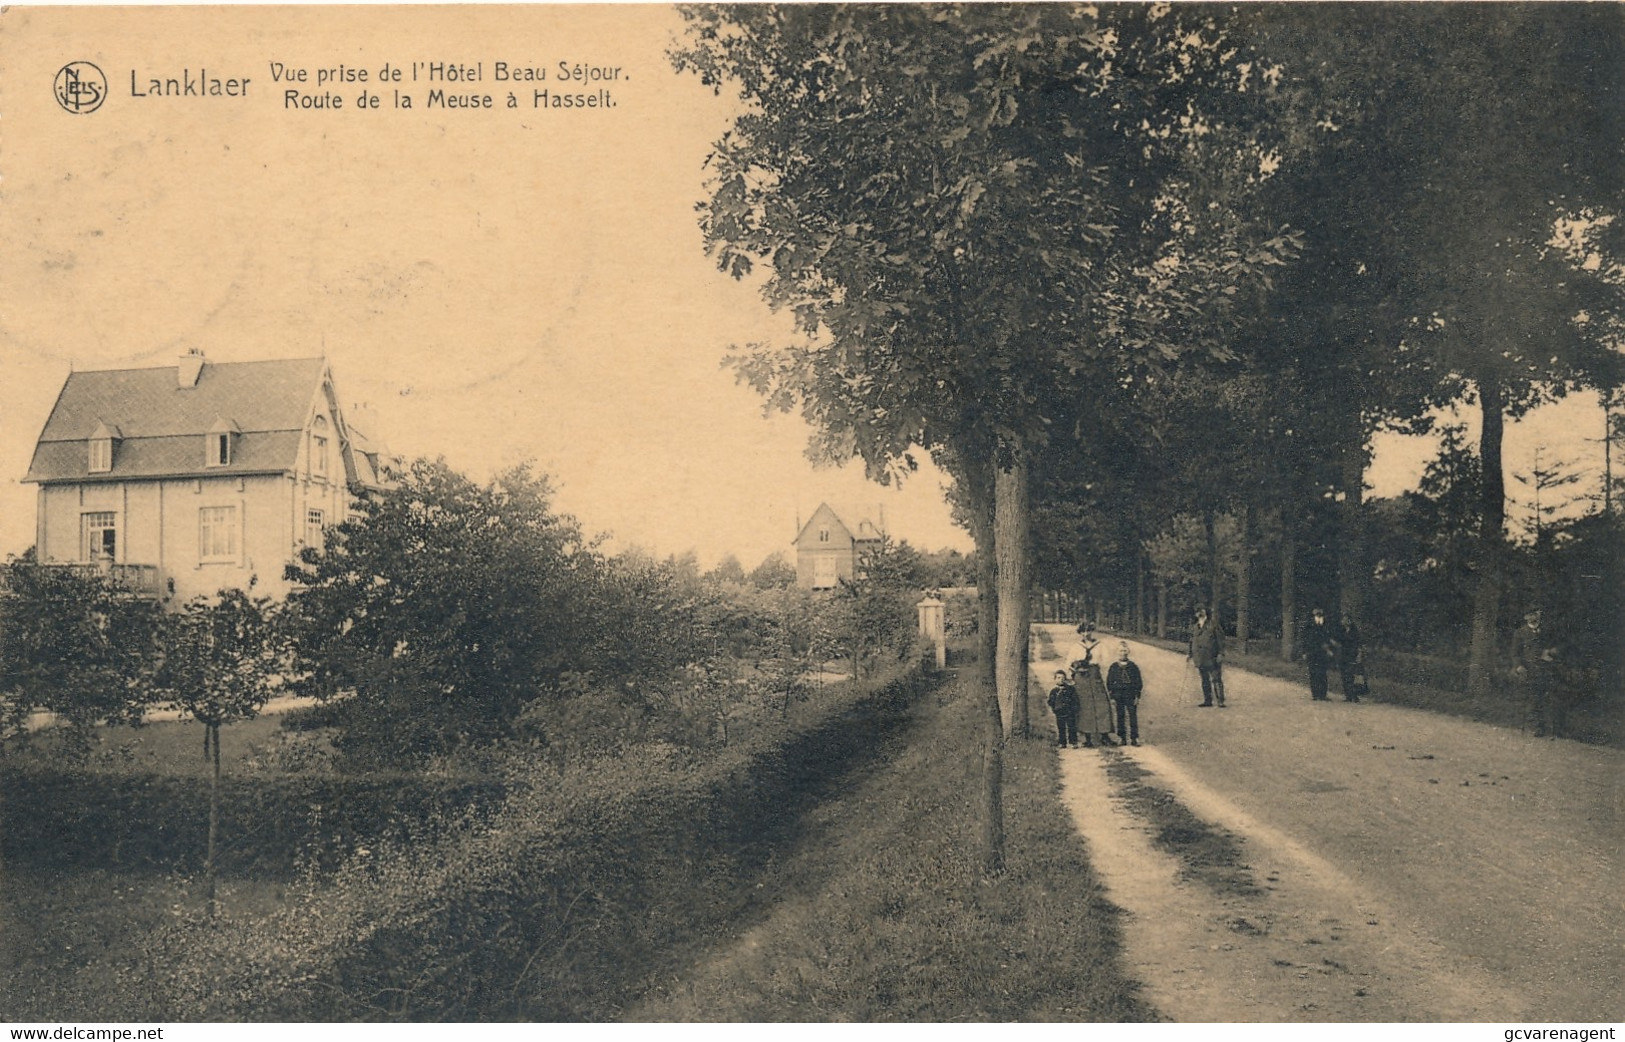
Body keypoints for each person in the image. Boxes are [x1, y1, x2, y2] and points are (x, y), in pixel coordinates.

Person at [1510, 609, 1562, 737]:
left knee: (1543, 699)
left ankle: (1542, 728)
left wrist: (1551, 653)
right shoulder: (1520, 633)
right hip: (1527, 670)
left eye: (1537, 614)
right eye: (1531, 614)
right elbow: (1515, 654)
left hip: (1544, 669)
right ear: (1526, 617)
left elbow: (1555, 647)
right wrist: (1519, 666)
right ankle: (1529, 726)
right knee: (1529, 698)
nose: (1534, 617)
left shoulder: (1546, 632)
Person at [1070, 623, 1115, 746]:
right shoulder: (1076, 647)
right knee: (1084, 705)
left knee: (1101, 703)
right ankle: (1087, 737)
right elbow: (1069, 663)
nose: (1086, 634)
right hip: (1081, 677)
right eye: (1083, 632)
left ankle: (1104, 734)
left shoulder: (1100, 646)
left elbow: (1106, 662)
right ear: (1080, 633)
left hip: (1094, 675)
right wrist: (1076, 669)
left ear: (1092, 631)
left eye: (1088, 631)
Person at [1105, 641, 1144, 747]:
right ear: (1117, 652)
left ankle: (1134, 738)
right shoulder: (1114, 667)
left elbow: (1138, 682)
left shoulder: (1133, 666)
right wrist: (1112, 696)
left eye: (1125, 650)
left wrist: (1137, 695)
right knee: (1120, 716)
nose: (1123, 653)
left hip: (1130, 694)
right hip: (1118, 695)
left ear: (1128, 652)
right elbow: (1109, 682)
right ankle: (1122, 738)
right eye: (1121, 650)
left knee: (1132, 715)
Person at [1188, 607, 1225, 707]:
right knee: (1204, 679)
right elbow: (1192, 642)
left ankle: (1220, 701)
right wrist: (1190, 654)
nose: (1199, 614)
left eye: (1201, 611)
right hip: (1200, 657)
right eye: (1197, 612)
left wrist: (1221, 653)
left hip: (1212, 656)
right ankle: (1207, 701)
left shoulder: (1213, 625)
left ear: (1206, 613)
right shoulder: (1195, 627)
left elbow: (1220, 640)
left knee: (1216, 678)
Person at [1305, 607, 1339, 701]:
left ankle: (1322, 694)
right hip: (1312, 652)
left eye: (1320, 612)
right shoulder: (1308, 624)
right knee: (1313, 673)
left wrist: (1329, 646)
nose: (1318, 613)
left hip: (1323, 653)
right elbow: (1306, 639)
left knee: (1322, 673)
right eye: (1316, 612)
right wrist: (1305, 651)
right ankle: (1315, 694)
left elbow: (1327, 636)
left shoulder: (1326, 623)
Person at [1047, 669, 1080, 748]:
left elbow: (1075, 699)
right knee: (1061, 727)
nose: (1061, 680)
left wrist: (1074, 708)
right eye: (1058, 678)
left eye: (1062, 678)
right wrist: (1054, 708)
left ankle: (1073, 742)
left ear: (1065, 679)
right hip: (1059, 712)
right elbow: (1050, 701)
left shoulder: (1070, 689)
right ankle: (1062, 742)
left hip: (1069, 711)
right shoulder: (1054, 691)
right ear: (1055, 679)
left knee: (1071, 726)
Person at [1337, 612, 1364, 702]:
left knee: (1352, 675)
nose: (1343, 621)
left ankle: (1354, 695)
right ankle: (1348, 695)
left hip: (1352, 655)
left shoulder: (1354, 631)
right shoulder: (1342, 631)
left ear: (1349, 621)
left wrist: (1359, 655)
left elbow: (1359, 644)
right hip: (1343, 656)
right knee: (1344, 675)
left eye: (1344, 619)